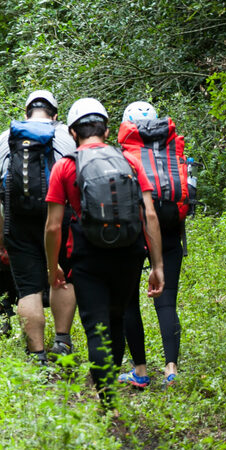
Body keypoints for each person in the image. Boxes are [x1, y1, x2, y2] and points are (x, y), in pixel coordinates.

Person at [44, 98, 165, 408]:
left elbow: (53, 227)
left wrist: (53, 266)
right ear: (107, 130)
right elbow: (149, 215)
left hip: (87, 257)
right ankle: (111, 386)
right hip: (129, 253)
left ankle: (107, 401)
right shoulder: (130, 161)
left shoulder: (66, 166)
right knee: (116, 318)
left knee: (95, 326)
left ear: (72, 133)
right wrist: (157, 265)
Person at [0, 90, 77, 363]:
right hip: (59, 218)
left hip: (18, 220)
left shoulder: (6, 138)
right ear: (56, 115)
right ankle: (62, 343)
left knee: (27, 288)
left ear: (26, 113)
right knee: (63, 279)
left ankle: (37, 354)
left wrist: (0, 232)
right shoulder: (65, 137)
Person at [117, 101, 189, 388]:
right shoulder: (170, 149)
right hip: (171, 224)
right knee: (167, 299)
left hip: (135, 230)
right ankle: (171, 368)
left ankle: (141, 371)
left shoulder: (125, 153)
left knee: (128, 300)